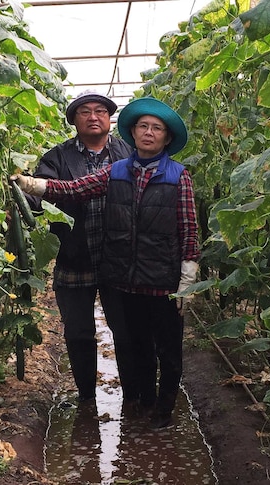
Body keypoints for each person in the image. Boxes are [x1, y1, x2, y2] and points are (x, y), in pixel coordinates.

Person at [14, 97, 201, 429]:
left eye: (156, 128)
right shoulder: (110, 168)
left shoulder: (175, 175)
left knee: (160, 347)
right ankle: (127, 400)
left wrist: (188, 274)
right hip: (109, 268)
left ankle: (160, 410)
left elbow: (188, 227)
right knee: (115, 338)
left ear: (166, 137)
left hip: (156, 275)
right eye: (143, 126)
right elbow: (74, 189)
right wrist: (32, 186)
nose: (148, 132)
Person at [30, 90, 134, 404]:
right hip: (74, 258)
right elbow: (39, 190)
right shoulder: (57, 157)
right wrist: (26, 199)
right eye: (85, 112)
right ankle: (87, 397)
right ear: (74, 120)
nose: (93, 117)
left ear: (109, 118)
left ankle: (132, 395)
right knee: (78, 334)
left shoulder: (128, 153)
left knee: (126, 332)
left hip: (120, 259)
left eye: (100, 111)